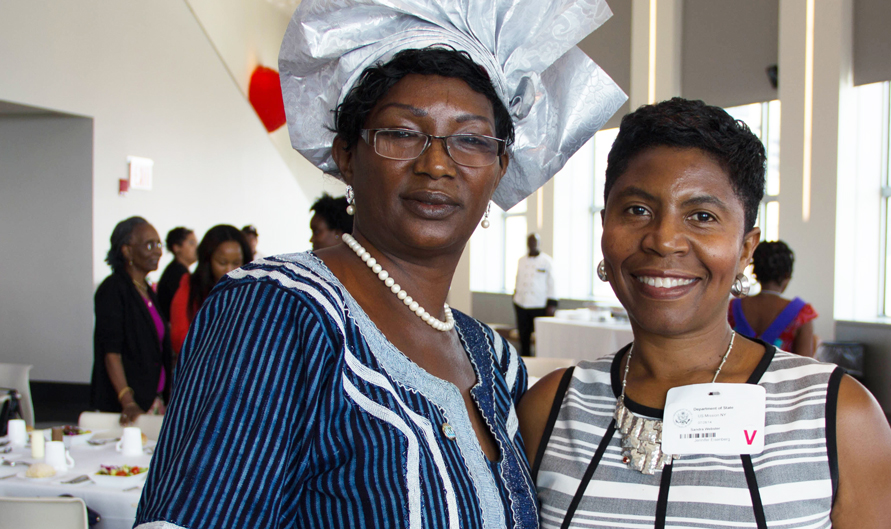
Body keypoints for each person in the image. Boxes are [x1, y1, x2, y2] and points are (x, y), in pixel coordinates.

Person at [135, 1, 625, 527]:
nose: (436, 163)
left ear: (502, 166)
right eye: (401, 133)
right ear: (347, 153)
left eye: (471, 140)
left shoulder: (495, 362)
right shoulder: (278, 312)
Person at [518, 98, 891, 528]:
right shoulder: (550, 408)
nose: (664, 240)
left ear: (745, 249)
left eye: (702, 216)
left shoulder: (838, 416)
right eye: (638, 210)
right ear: (605, 228)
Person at [90, 216, 172, 426]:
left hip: (153, 399)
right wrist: (128, 401)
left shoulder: (146, 290)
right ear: (127, 251)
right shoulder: (113, 290)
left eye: (159, 244)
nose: (158, 251)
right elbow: (111, 352)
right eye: (149, 245)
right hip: (129, 408)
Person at [169, 225, 251, 354]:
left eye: (236, 263)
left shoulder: (252, 291)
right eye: (222, 263)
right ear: (208, 261)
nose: (230, 270)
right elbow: (180, 339)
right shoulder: (190, 287)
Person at [728, 240, 817, 356]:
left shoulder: (732, 307)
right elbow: (805, 366)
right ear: (787, 275)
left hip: (738, 374)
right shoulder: (802, 314)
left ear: (757, 273)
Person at [513, 233, 557, 357]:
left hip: (539, 304)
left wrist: (552, 304)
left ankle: (539, 358)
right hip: (521, 302)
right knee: (523, 336)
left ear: (539, 243)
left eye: (534, 242)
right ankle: (524, 359)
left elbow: (552, 283)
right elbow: (518, 279)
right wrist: (515, 296)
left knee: (540, 336)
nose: (532, 244)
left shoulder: (546, 261)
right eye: (530, 242)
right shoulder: (521, 260)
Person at [156, 227, 197, 320]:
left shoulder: (176, 270)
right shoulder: (177, 274)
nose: (196, 248)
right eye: (191, 243)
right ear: (177, 248)